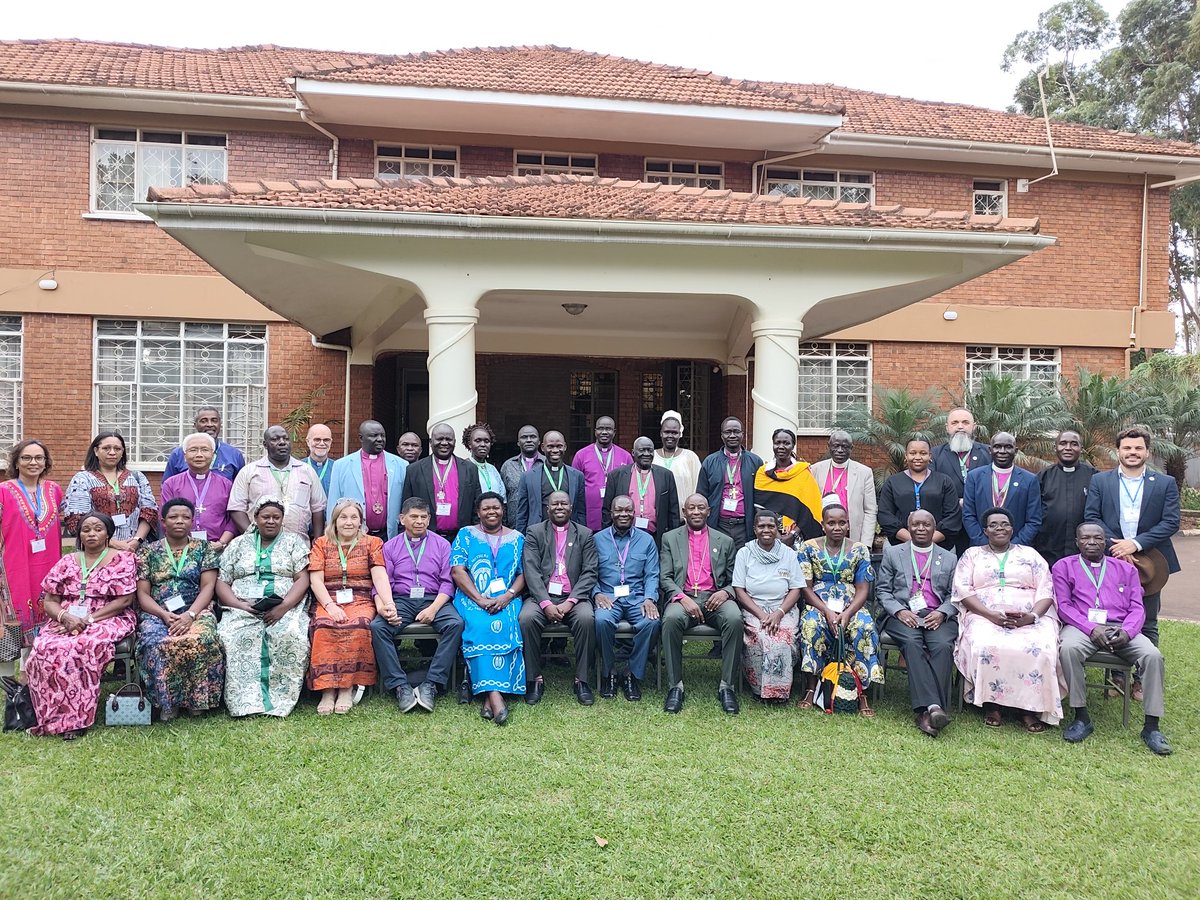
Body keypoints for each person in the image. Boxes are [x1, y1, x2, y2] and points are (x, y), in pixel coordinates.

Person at [1054, 523, 1171, 755]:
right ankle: (1081, 716)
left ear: (1105, 541)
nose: (1091, 542)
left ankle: (1152, 727)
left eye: (1097, 538)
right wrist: (1090, 628)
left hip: (1121, 627)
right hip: (1081, 627)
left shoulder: (1125, 569)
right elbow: (1064, 606)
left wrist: (1128, 631)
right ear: (1077, 542)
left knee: (1153, 655)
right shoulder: (1063, 566)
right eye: (1085, 538)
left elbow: (1138, 608)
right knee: (1068, 648)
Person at [25, 511, 136, 739]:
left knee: (81, 646)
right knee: (43, 648)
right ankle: (48, 715)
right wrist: (66, 617)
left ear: (108, 534)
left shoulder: (122, 559)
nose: (92, 534)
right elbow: (50, 600)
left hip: (108, 617)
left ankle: (76, 720)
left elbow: (124, 600)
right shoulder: (67, 561)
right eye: (86, 530)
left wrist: (87, 620)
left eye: (98, 529)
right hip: (66, 616)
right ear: (79, 535)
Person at [952, 507, 1061, 732]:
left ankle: (1029, 709)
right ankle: (992, 704)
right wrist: (990, 615)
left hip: (1029, 615)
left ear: (1012, 529)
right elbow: (963, 590)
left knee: (1042, 647)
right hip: (984, 614)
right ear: (985, 531)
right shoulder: (972, 555)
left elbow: (1046, 590)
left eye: (1004, 524)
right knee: (985, 645)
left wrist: (1030, 617)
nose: (999, 528)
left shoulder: (1030, 554)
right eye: (993, 525)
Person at [1084, 424, 1180, 651]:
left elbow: (1170, 522)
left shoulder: (1165, 483)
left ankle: (1140, 680)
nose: (1132, 452)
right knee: (1114, 617)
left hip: (1150, 562)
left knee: (1147, 621)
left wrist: (1134, 544)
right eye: (1127, 447)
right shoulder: (1100, 481)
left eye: (1139, 448)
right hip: (1112, 557)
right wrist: (1118, 547)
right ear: (1118, 451)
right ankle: (1116, 676)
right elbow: (1091, 517)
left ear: (1147, 452)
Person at [215, 496, 312, 718]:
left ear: (282, 519)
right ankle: (245, 703)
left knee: (291, 635)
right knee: (231, 637)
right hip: (241, 609)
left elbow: (302, 578)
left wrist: (284, 607)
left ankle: (279, 702)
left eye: (276, 517)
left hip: (285, 608)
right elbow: (222, 581)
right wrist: (238, 604)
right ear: (255, 518)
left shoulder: (294, 542)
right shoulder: (238, 544)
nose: (271, 521)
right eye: (265, 517)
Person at [134, 498, 224, 721]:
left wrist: (190, 615)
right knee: (153, 641)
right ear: (163, 522)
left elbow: (208, 587)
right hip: (157, 612)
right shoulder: (148, 552)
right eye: (174, 517)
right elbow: (143, 594)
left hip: (197, 609)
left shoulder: (204, 549)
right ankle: (167, 702)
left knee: (203, 638)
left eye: (185, 517)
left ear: (193, 522)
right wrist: (163, 615)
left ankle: (197, 700)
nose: (180, 521)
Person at [375, 497, 464, 713]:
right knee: (378, 628)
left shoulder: (442, 545)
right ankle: (399, 685)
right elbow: (381, 582)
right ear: (402, 518)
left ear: (429, 519)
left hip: (435, 599)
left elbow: (447, 583)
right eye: (413, 516)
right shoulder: (390, 546)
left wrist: (433, 609)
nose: (419, 521)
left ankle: (431, 683)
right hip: (401, 600)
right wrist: (385, 607)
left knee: (455, 624)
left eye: (424, 517)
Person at [876, 509, 958, 737]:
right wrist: (900, 611)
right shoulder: (894, 553)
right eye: (916, 525)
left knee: (942, 646)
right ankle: (934, 708)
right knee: (912, 643)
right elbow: (883, 591)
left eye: (926, 525)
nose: (921, 529)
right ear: (908, 528)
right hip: (902, 616)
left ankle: (927, 712)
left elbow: (955, 595)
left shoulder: (949, 557)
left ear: (934, 529)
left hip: (936, 616)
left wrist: (942, 612)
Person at [796, 502, 882, 715]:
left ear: (848, 525)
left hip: (851, 605)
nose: (837, 527)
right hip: (817, 603)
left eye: (842, 523)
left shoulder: (860, 549)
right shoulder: (808, 547)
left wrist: (847, 613)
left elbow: (863, 589)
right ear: (823, 525)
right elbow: (804, 588)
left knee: (865, 627)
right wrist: (826, 611)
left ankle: (861, 692)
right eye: (831, 523)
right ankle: (811, 686)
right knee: (810, 624)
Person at [659, 493, 741, 714]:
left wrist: (726, 592)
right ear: (684, 512)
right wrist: (682, 598)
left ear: (709, 511)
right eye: (691, 508)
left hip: (715, 597)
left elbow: (736, 580)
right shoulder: (670, 538)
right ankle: (675, 685)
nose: (696, 512)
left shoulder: (725, 541)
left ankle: (727, 686)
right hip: (683, 596)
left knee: (734, 619)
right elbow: (665, 577)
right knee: (671, 619)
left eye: (701, 508)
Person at [451, 492, 526, 725]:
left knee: (506, 622)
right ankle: (496, 695)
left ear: (503, 510)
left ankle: (487, 695)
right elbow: (457, 570)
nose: (492, 512)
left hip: (508, 597)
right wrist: (479, 600)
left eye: (496, 507)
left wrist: (507, 596)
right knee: (481, 624)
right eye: (486, 508)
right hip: (471, 597)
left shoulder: (518, 538)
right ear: (478, 512)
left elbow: (524, 573)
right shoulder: (466, 534)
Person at [307, 499, 388, 715]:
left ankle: (346, 687)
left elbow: (379, 575)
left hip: (360, 599)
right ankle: (327, 689)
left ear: (361, 521)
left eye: (354, 517)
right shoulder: (321, 543)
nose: (349, 522)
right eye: (343, 517)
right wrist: (330, 606)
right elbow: (316, 581)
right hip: (329, 598)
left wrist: (388, 603)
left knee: (359, 625)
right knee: (324, 625)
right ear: (334, 520)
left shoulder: (373, 543)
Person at [519, 490, 598, 706]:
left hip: (573, 597)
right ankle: (534, 678)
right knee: (526, 619)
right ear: (547, 509)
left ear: (571, 508)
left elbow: (590, 571)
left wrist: (570, 601)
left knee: (586, 619)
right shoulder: (534, 532)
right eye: (555, 504)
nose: (560, 507)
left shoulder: (585, 534)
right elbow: (531, 570)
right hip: (541, 596)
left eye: (564, 503)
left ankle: (581, 679)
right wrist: (545, 603)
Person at [0, 439, 64, 666]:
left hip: (48, 567)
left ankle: (32, 683)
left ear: (46, 462)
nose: (33, 462)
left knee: (44, 629)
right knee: (10, 630)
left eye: (39, 458)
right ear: (16, 462)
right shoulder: (3, 491)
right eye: (26, 458)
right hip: (13, 569)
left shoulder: (54, 490)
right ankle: (9, 687)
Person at [732, 509, 805, 701]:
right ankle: (760, 689)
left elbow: (796, 588)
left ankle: (779, 692)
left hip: (783, 608)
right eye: (762, 526)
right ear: (755, 529)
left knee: (783, 637)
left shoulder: (788, 554)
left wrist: (779, 613)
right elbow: (739, 590)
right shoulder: (744, 553)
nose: (766, 530)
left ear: (777, 529)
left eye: (771, 526)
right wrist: (761, 615)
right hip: (753, 609)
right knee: (760, 636)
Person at [593, 494, 660, 701]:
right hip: (608, 597)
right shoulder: (597, 539)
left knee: (651, 622)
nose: (623, 514)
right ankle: (609, 671)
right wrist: (596, 593)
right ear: (611, 513)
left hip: (637, 597)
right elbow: (588, 572)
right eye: (619, 510)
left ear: (634, 513)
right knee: (601, 621)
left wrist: (650, 598)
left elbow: (652, 574)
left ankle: (632, 673)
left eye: (628, 510)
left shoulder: (646, 540)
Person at [229, 425, 326, 541]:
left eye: (285, 439)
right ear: (265, 445)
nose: (282, 442)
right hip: (260, 547)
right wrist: (252, 538)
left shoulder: (307, 471)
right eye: (275, 439)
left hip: (299, 545)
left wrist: (318, 540)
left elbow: (318, 508)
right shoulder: (249, 471)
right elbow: (236, 508)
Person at [64, 431, 157, 551]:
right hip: (97, 550)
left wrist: (136, 541)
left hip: (134, 549)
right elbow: (76, 518)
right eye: (106, 448)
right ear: (96, 451)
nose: (112, 452)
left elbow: (149, 512)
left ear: (123, 452)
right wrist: (112, 543)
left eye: (117, 448)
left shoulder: (137, 477)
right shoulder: (83, 479)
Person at [402, 421, 481, 542]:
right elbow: (406, 506)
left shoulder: (470, 469)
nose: (444, 443)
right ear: (430, 442)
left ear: (454, 442)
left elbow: (477, 506)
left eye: (448, 439)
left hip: (461, 538)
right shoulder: (414, 470)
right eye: (439, 439)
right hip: (426, 537)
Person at [329, 420, 407, 541]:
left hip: (390, 535)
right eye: (374, 436)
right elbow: (333, 504)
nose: (380, 439)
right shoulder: (341, 465)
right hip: (354, 536)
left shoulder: (401, 465)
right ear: (361, 438)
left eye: (382, 435)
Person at [877, 437, 961, 548]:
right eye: (912, 453)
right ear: (906, 456)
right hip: (900, 545)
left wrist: (929, 541)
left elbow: (953, 516)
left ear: (930, 456)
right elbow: (885, 515)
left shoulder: (944, 481)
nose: (918, 457)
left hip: (939, 546)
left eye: (923, 453)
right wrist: (911, 539)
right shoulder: (893, 482)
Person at [962, 432, 1041, 548]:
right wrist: (985, 544)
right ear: (990, 450)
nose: (1002, 451)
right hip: (981, 548)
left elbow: (1034, 520)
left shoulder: (1030, 480)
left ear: (1016, 451)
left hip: (1017, 549)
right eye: (997, 447)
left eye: (1008, 447)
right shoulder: (974, 477)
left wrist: (1014, 546)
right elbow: (968, 515)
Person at [158, 432, 236, 547]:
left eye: (204, 450)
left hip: (217, 547)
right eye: (193, 450)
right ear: (184, 456)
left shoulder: (227, 484)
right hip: (181, 548)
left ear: (213, 455)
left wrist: (221, 542)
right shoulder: (171, 484)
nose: (199, 455)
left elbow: (232, 519)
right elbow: (164, 517)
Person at [931, 408, 991, 555]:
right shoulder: (935, 454)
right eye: (955, 422)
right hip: (948, 525)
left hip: (981, 524)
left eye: (965, 422)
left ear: (974, 426)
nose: (960, 426)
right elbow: (932, 487)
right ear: (947, 427)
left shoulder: (989, 452)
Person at [601, 436, 680, 548]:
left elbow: (673, 512)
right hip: (623, 536)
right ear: (633, 453)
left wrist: (673, 541)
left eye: (650, 450)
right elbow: (606, 511)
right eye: (642, 450)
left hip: (656, 537)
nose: (646, 454)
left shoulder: (666, 475)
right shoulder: (616, 476)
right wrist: (608, 539)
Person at [1035, 430, 1098, 567]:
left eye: (1074, 444)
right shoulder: (1043, 477)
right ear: (1055, 447)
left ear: (1081, 448)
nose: (1068, 448)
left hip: (1085, 551)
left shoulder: (1094, 477)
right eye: (1063, 443)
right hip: (1048, 548)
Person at [696, 416, 762, 546]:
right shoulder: (710, 462)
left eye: (736, 431)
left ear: (743, 434)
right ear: (722, 436)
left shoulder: (756, 462)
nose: (732, 435)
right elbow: (701, 495)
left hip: (745, 526)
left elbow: (761, 496)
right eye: (728, 432)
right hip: (719, 525)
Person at [808, 430, 878, 549]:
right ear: (829, 446)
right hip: (821, 534)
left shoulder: (864, 472)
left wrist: (866, 543)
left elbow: (870, 510)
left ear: (851, 448)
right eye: (836, 446)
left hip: (852, 535)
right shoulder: (815, 469)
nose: (840, 450)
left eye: (844, 447)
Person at [752, 428, 822, 544]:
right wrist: (776, 534)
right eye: (777, 443)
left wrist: (793, 534)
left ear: (793, 445)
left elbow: (811, 509)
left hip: (799, 535)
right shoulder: (763, 472)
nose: (781, 446)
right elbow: (759, 506)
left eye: (786, 443)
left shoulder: (803, 473)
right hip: (769, 533)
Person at [515, 430, 586, 532]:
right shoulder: (527, 477)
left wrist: (580, 537)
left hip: (569, 534)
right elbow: (522, 513)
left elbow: (581, 512)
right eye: (550, 446)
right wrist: (521, 539)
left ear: (565, 447)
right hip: (538, 534)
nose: (555, 450)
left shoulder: (577, 476)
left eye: (559, 446)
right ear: (543, 447)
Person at [571, 416, 632, 531]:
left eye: (608, 429)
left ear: (614, 432)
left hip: (618, 517)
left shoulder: (625, 456)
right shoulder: (581, 455)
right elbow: (575, 488)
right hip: (589, 516)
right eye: (600, 429)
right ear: (595, 432)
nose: (604, 432)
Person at [162, 405, 247, 481]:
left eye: (214, 421)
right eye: (204, 421)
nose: (210, 424)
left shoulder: (234, 455)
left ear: (220, 424)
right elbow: (167, 487)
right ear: (195, 425)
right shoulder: (179, 454)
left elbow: (240, 490)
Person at [654, 410, 702, 513]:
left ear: (680, 434)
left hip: (683, 517)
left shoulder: (691, 457)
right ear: (661, 433)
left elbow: (698, 488)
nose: (670, 436)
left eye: (674, 432)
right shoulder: (651, 457)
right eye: (667, 432)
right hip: (656, 517)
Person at [500, 424, 543, 525]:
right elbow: (503, 499)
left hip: (541, 527)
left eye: (533, 437)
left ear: (539, 442)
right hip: (514, 525)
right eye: (524, 437)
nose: (528, 440)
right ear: (518, 443)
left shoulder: (546, 464)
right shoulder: (508, 465)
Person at [463, 422, 506, 502]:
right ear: (469, 444)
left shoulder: (492, 469)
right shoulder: (463, 468)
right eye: (478, 440)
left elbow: (502, 497)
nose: (483, 444)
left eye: (486, 441)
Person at [303, 423, 336, 497]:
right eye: (317, 440)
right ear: (308, 442)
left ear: (330, 442)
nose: (322, 443)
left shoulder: (338, 468)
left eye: (326, 440)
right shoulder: (298, 468)